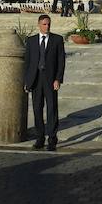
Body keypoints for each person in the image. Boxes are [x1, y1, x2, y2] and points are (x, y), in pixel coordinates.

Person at [23, 15, 65, 151]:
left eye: (48, 24)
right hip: (35, 80)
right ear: (39, 25)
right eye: (44, 24)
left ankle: (52, 138)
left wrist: (58, 79)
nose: (47, 27)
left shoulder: (57, 40)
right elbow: (27, 63)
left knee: (52, 109)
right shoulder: (31, 41)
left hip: (50, 80)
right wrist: (27, 81)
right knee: (37, 109)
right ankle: (40, 137)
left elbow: (61, 61)